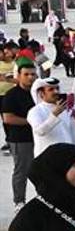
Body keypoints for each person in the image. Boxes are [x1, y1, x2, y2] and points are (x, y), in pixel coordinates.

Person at [3, 61, 36, 206]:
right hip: (20, 139)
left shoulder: (39, 93)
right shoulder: (11, 95)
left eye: (33, 74)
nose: (30, 77)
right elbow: (8, 118)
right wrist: (33, 122)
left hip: (40, 137)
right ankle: (19, 201)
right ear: (19, 76)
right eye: (26, 74)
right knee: (22, 171)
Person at [28, 77, 75, 157]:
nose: (56, 91)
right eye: (51, 90)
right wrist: (55, 114)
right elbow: (40, 131)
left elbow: (72, 132)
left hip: (67, 154)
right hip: (47, 157)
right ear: (41, 93)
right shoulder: (35, 111)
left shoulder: (65, 109)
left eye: (57, 88)